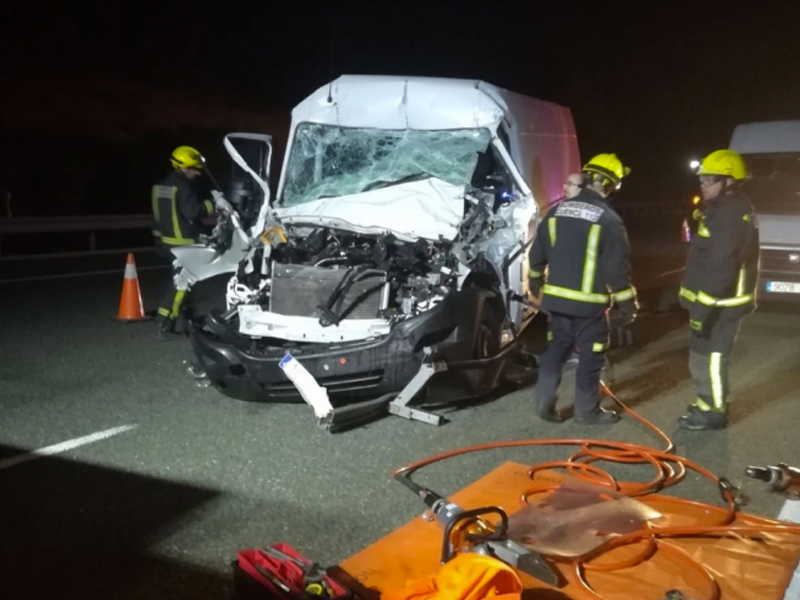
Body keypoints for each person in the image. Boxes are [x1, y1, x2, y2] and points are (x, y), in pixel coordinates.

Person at [528, 154, 638, 424]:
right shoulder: (608, 219)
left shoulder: (555, 212)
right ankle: (586, 412)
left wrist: (535, 282)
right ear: (608, 185)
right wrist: (628, 304)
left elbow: (537, 254)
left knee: (555, 351)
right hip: (590, 306)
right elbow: (616, 268)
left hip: (556, 302)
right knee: (591, 356)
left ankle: (545, 404)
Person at [677, 149, 759, 430]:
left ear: (729, 182)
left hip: (720, 303)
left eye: (710, 179)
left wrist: (701, 307)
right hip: (715, 302)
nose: (703, 184)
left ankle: (713, 413)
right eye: (702, 178)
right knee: (701, 356)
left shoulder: (731, 216)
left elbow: (722, 267)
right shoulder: (722, 210)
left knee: (712, 359)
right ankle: (706, 402)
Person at [151, 145, 215, 337]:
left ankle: (181, 319)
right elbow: (192, 212)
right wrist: (212, 205)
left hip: (166, 241)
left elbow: (156, 216)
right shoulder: (184, 186)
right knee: (181, 284)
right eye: (194, 169)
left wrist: (158, 241)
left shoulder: (161, 186)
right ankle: (164, 323)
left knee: (178, 281)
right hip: (183, 242)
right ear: (184, 167)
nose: (197, 173)